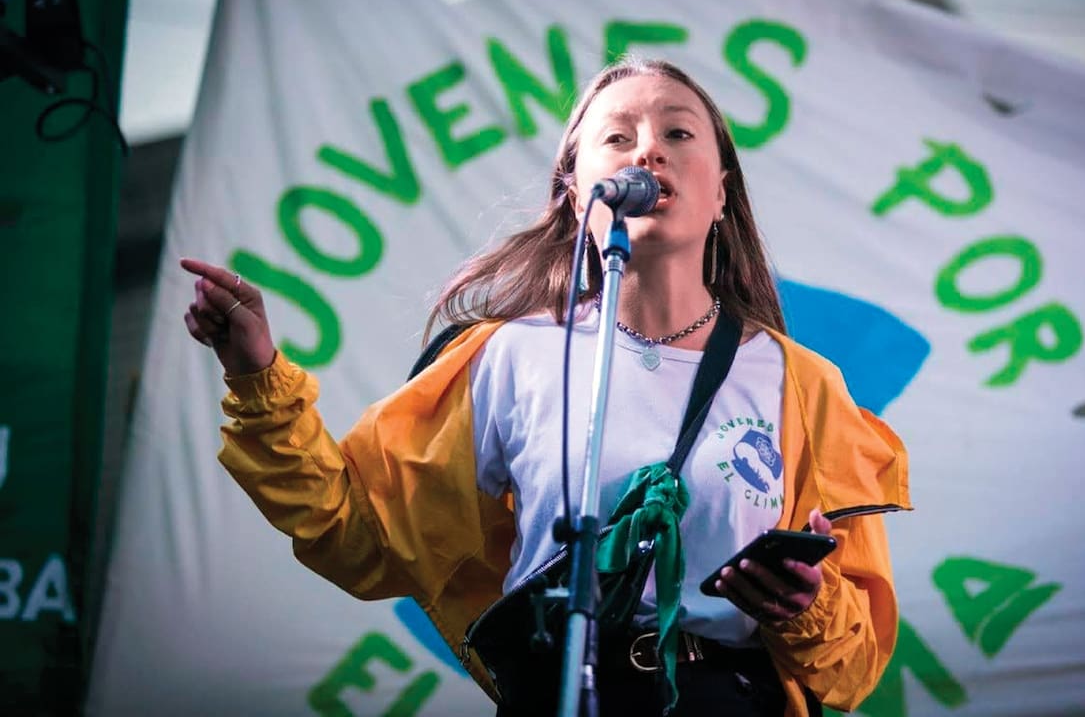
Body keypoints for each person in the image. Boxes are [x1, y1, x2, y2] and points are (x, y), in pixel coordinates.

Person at [182, 57, 911, 716]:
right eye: (617, 137)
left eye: (678, 133)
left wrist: (804, 608)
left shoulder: (799, 383)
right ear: (574, 192)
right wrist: (255, 373)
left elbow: (855, 672)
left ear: (722, 194)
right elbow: (354, 529)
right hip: (555, 692)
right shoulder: (511, 355)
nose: (648, 151)